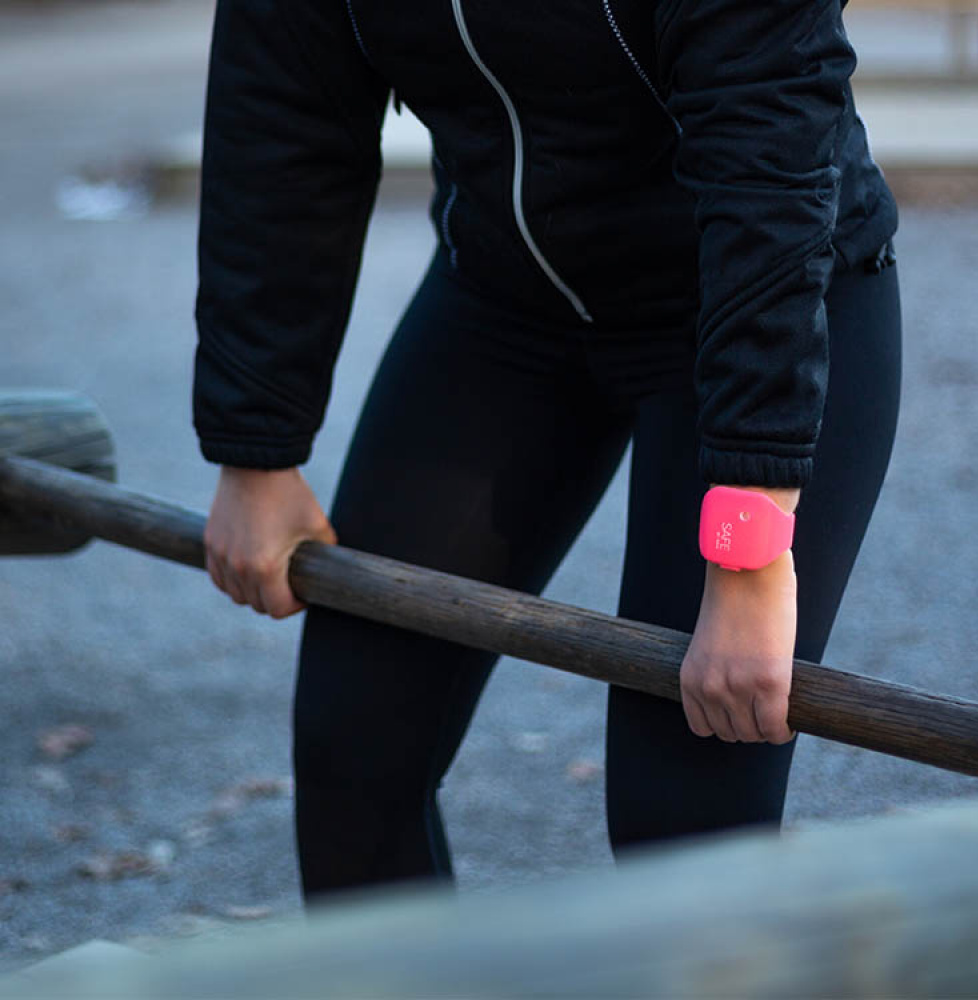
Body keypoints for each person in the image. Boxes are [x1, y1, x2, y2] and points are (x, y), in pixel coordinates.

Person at [192, 0, 901, 905]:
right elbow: (280, 125)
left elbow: (768, 170)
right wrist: (257, 450)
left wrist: (751, 551)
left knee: (682, 820)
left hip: (756, 300)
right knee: (352, 753)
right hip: (507, 305)